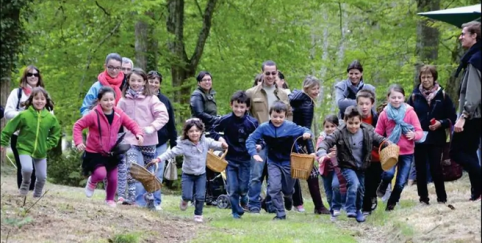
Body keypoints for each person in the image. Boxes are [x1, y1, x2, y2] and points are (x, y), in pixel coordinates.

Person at [73, 86, 143, 207]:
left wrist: (138, 134)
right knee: (101, 174)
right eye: (105, 100)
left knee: (113, 178)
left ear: (115, 100)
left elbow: (131, 123)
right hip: (95, 152)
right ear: (99, 101)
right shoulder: (93, 114)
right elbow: (78, 126)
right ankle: (92, 181)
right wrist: (79, 142)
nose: (109, 102)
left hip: (111, 152)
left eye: (111, 99)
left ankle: (109, 199)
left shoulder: (118, 113)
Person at [317, 106, 389, 223]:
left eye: (356, 123)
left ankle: (358, 210)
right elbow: (326, 142)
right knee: (354, 183)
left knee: (361, 189)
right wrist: (322, 153)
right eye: (350, 123)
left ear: (360, 121)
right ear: (345, 121)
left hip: (361, 166)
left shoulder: (367, 131)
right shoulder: (339, 132)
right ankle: (350, 208)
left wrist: (389, 144)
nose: (353, 126)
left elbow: (380, 140)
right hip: (347, 165)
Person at [246, 101, 314, 220]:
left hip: (289, 161)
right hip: (273, 162)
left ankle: (288, 196)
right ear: (270, 115)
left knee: (287, 189)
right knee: (273, 188)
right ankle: (280, 213)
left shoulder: (290, 126)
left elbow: (305, 130)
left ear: (285, 116)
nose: (277, 119)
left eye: (281, 117)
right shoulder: (264, 127)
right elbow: (250, 139)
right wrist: (254, 153)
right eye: (275, 116)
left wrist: (307, 133)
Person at [151, 118, 228, 223]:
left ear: (201, 132)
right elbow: (171, 153)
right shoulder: (183, 145)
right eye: (191, 131)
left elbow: (216, 144)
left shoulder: (205, 142)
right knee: (187, 195)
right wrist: (159, 159)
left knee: (200, 196)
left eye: (197, 131)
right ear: (186, 133)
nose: (194, 133)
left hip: (201, 174)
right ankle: (185, 200)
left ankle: (198, 214)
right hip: (188, 174)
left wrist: (222, 145)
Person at [117, 68, 169, 206]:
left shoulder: (152, 99)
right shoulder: (123, 100)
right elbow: (116, 118)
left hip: (149, 140)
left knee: (149, 169)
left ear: (144, 82)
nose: (136, 83)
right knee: (131, 166)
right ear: (128, 81)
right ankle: (132, 196)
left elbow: (163, 116)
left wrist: (152, 128)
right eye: (133, 80)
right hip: (130, 139)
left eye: (139, 80)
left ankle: (150, 195)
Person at [245, 60, 291, 213]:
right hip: (259, 139)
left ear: (277, 73)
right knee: (256, 174)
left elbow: (289, 115)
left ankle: (272, 205)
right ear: (262, 73)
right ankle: (253, 205)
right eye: (267, 73)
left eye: (273, 73)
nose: (270, 76)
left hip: (278, 141)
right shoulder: (251, 93)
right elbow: (245, 116)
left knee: (274, 176)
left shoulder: (283, 94)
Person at [407, 65, 457, 205]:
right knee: (420, 169)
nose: (426, 80)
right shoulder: (414, 96)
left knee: (436, 168)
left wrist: (441, 123)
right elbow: (407, 116)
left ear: (434, 78)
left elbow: (452, 118)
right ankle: (423, 198)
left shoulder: (443, 95)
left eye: (429, 77)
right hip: (419, 137)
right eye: (423, 77)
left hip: (436, 138)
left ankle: (442, 198)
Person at [1, 87, 61, 197]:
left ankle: (37, 194)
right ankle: (25, 185)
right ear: (31, 100)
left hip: (41, 151)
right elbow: (9, 128)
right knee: (27, 169)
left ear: (46, 101)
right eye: (36, 98)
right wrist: (3, 142)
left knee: (42, 177)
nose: (39, 101)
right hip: (24, 148)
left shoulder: (50, 118)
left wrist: (48, 145)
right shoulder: (24, 115)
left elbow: (56, 134)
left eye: (42, 99)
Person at [211, 91, 259, 219]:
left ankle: (244, 198)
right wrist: (220, 140)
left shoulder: (252, 123)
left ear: (247, 107)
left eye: (242, 107)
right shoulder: (225, 120)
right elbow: (213, 130)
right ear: (231, 105)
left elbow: (260, 138)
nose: (239, 109)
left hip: (245, 159)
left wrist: (259, 145)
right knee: (232, 188)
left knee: (243, 187)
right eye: (236, 106)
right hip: (230, 159)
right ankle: (235, 212)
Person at [375, 84, 423, 211]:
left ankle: (392, 203)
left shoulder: (410, 113)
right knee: (388, 174)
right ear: (388, 98)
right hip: (391, 151)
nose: (396, 100)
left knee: (401, 182)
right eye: (393, 97)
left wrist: (414, 135)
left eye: (399, 97)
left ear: (404, 98)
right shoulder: (384, 114)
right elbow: (377, 133)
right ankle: (383, 185)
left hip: (407, 152)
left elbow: (420, 132)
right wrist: (384, 141)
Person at [138, 70, 178, 210]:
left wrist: (174, 144)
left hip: (161, 142)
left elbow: (171, 123)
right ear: (146, 82)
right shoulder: (140, 98)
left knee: (157, 172)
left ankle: (156, 201)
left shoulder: (165, 101)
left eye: (156, 82)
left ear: (160, 84)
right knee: (142, 171)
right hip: (143, 141)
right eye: (151, 81)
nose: (153, 84)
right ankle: (140, 201)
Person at [450, 21, 482, 201]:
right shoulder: (476, 56)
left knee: (456, 151)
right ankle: (476, 192)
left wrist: (464, 116)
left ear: (474, 36)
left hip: (473, 115)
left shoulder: (475, 59)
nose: (461, 37)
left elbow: (473, 92)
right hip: (475, 114)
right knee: (469, 152)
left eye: (464, 34)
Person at [289, 75, 330, 214]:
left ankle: (298, 204)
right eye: (314, 88)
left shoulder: (295, 99)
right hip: (298, 142)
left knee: (290, 173)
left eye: (318, 88)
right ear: (306, 88)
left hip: (288, 140)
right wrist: (311, 151)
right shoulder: (307, 103)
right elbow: (306, 128)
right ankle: (319, 206)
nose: (317, 91)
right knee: (311, 173)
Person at [4, 65, 47, 191]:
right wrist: (25, 116)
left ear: (39, 77)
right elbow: (7, 113)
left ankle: (32, 195)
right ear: (25, 77)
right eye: (30, 74)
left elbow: (50, 115)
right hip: (19, 136)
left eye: (36, 74)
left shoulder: (44, 94)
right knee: (24, 168)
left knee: (36, 168)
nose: (33, 76)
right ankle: (23, 195)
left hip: (37, 138)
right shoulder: (17, 93)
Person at [356, 89, 384, 215]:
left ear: (372, 103)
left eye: (366, 104)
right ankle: (365, 208)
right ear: (357, 104)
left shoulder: (378, 118)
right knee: (364, 182)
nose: (364, 107)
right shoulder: (353, 118)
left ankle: (373, 197)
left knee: (375, 181)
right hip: (361, 157)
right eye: (361, 104)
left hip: (377, 156)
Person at [316, 115, 347, 217]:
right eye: (327, 126)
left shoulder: (341, 137)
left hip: (337, 168)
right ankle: (332, 208)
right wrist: (325, 156)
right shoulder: (321, 138)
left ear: (337, 126)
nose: (330, 129)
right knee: (328, 191)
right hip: (325, 169)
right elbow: (318, 153)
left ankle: (338, 206)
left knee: (336, 185)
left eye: (332, 126)